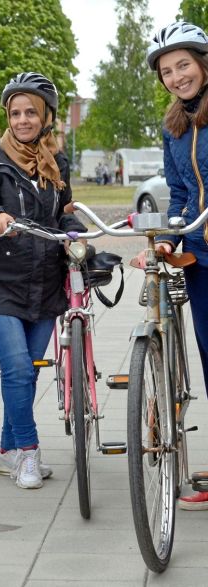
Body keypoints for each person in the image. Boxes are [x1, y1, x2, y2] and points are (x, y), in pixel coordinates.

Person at [0, 72, 86, 490]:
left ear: (46, 116)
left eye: (30, 112)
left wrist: (77, 231)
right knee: (16, 367)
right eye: (15, 113)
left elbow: (62, 213)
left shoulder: (56, 162)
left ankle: (6, 450)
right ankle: (29, 454)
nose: (22, 120)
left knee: (28, 373)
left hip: (45, 280)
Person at [145, 21, 208, 510]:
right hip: (201, 259)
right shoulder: (175, 126)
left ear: (203, 63)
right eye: (167, 70)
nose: (176, 76)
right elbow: (182, 194)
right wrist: (168, 238)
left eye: (183, 65)